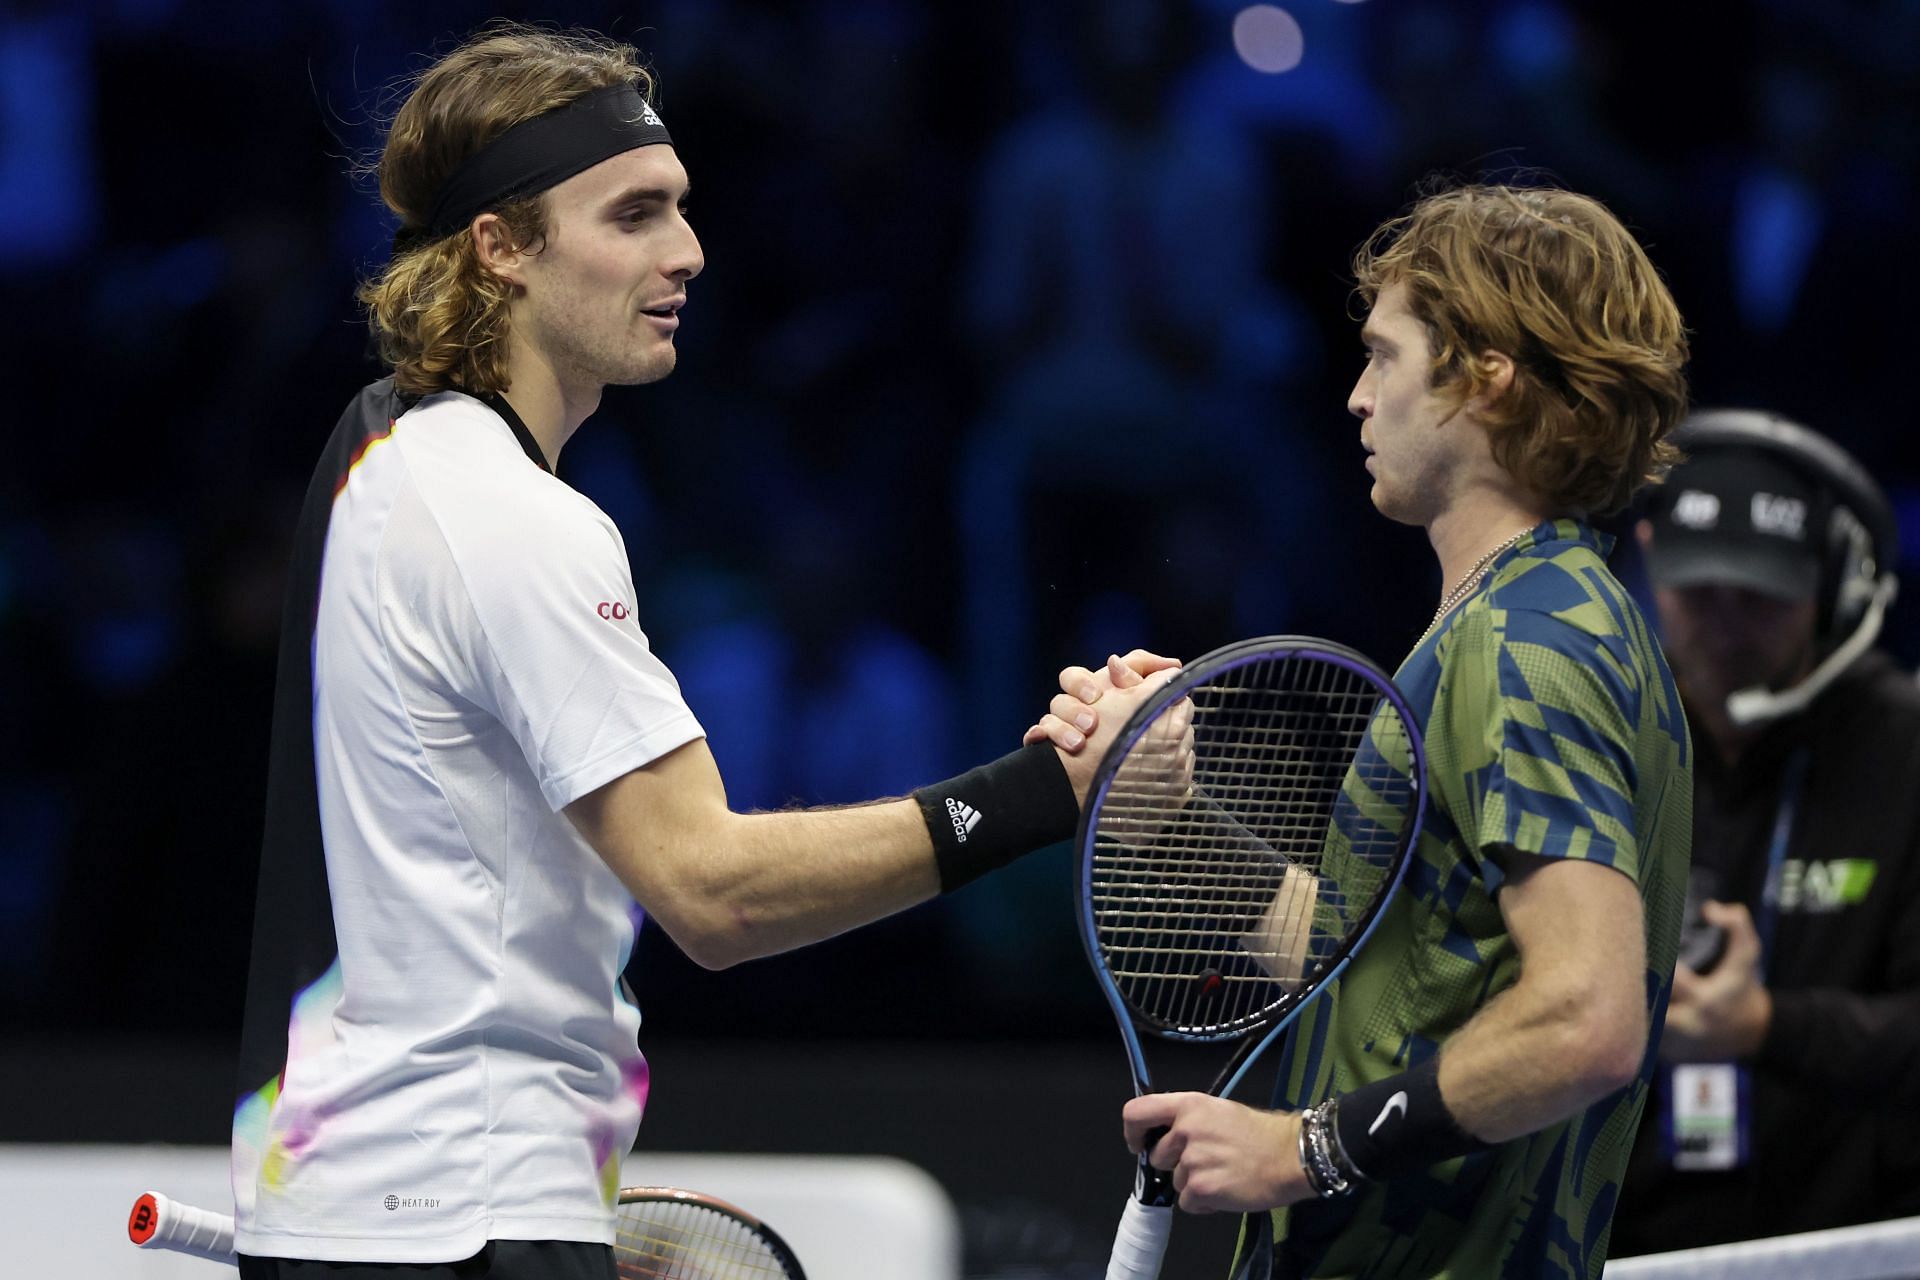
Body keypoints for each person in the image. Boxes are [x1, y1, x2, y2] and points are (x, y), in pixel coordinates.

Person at [230, 24, 1167, 1279]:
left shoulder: (382, 453)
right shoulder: (515, 517)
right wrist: (1044, 791)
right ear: (500, 248)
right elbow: (713, 892)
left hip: (374, 1195)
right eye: (633, 214)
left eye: (681, 209)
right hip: (461, 1209)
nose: (689, 251)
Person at [1037, 183, 1694, 1278]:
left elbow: (1589, 1017)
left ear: (1486, 375)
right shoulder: (1523, 617)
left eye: (1384, 356)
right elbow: (1386, 963)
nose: (1354, 396)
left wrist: (1301, 1146)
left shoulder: (1530, 641)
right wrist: (1166, 817)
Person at [1608, 409, 1920, 1255]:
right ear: (1648, 557)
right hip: (1628, 1245)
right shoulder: (1603, 741)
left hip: (1858, 1242)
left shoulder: (1905, 747)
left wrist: (1765, 1026)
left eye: (1760, 594)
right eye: (1700, 589)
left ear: (1829, 587)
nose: (1727, 623)